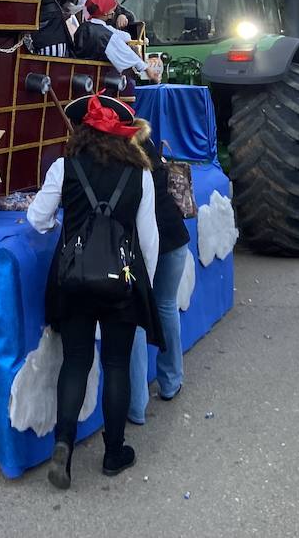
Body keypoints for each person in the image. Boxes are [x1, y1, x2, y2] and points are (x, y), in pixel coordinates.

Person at [28, 94, 160, 488]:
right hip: (121, 280)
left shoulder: (64, 167)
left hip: (73, 279)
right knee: (116, 363)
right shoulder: (140, 173)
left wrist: (62, 228)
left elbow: (37, 218)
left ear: (82, 131)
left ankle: (63, 445)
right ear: (122, 135)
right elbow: (148, 238)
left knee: (76, 361)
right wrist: (143, 285)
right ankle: (114, 453)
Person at [128, 141, 193, 420]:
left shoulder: (118, 157)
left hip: (146, 245)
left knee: (136, 317)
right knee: (166, 306)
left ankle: (137, 404)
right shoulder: (148, 147)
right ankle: (171, 381)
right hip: (175, 239)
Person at [74, 0, 162, 85]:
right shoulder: (105, 36)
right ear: (105, 12)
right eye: (111, 9)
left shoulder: (82, 28)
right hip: (98, 81)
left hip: (79, 77)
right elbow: (127, 54)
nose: (113, 12)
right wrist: (147, 69)